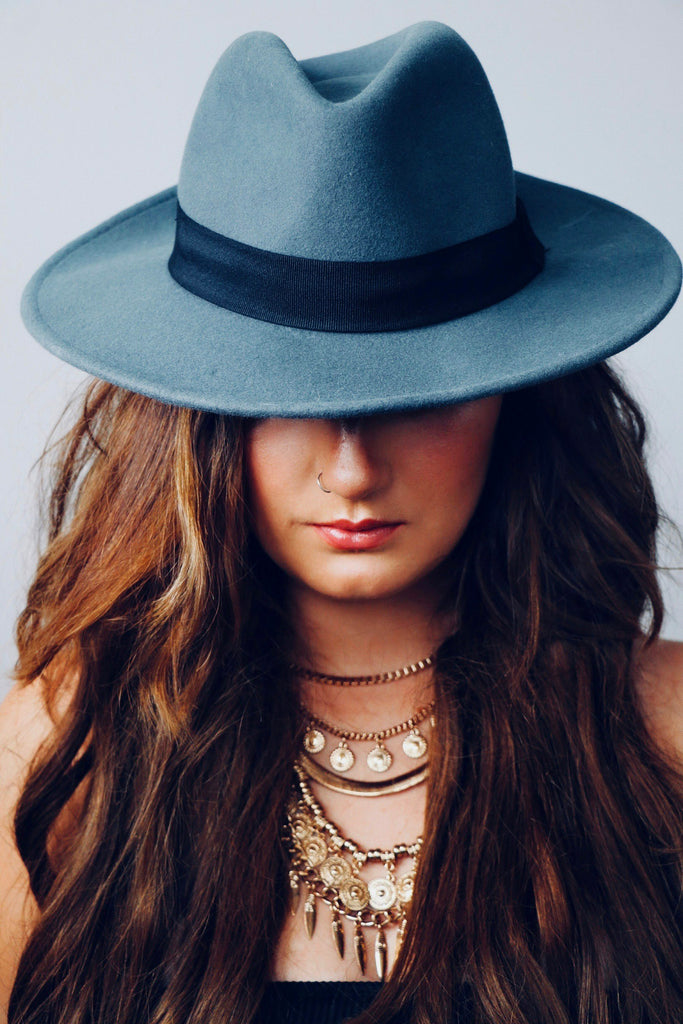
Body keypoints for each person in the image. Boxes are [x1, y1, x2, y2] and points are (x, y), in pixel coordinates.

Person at [1, 19, 682, 1024]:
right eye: (284, 396)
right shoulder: (60, 758)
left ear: (515, 392)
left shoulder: (661, 737)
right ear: (194, 416)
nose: (352, 468)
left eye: (416, 395)